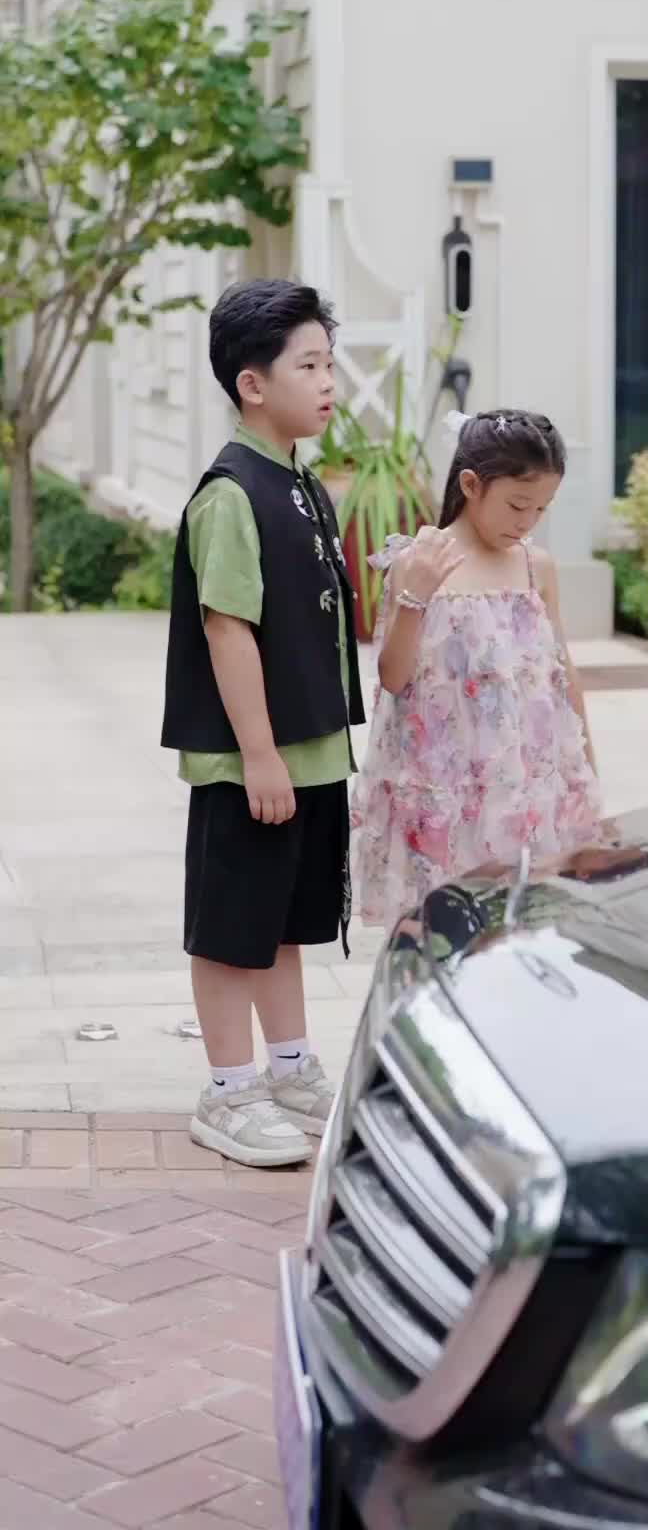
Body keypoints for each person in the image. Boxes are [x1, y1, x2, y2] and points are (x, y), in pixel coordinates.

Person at [161, 279, 365, 1168]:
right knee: (233, 927)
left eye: (329, 364)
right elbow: (226, 627)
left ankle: (288, 1070)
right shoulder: (232, 492)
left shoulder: (302, 484)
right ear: (253, 384)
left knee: (284, 922)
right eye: (309, 366)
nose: (329, 383)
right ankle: (229, 1089)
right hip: (253, 761)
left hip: (307, 752)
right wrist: (258, 755)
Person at [350, 409, 604, 929]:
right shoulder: (421, 562)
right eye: (517, 505)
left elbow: (562, 674)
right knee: (443, 930)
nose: (527, 521)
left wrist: (587, 772)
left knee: (523, 927)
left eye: (541, 509)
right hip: (443, 791)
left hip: (523, 787)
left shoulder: (536, 566)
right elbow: (393, 679)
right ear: (470, 485)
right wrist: (415, 597)